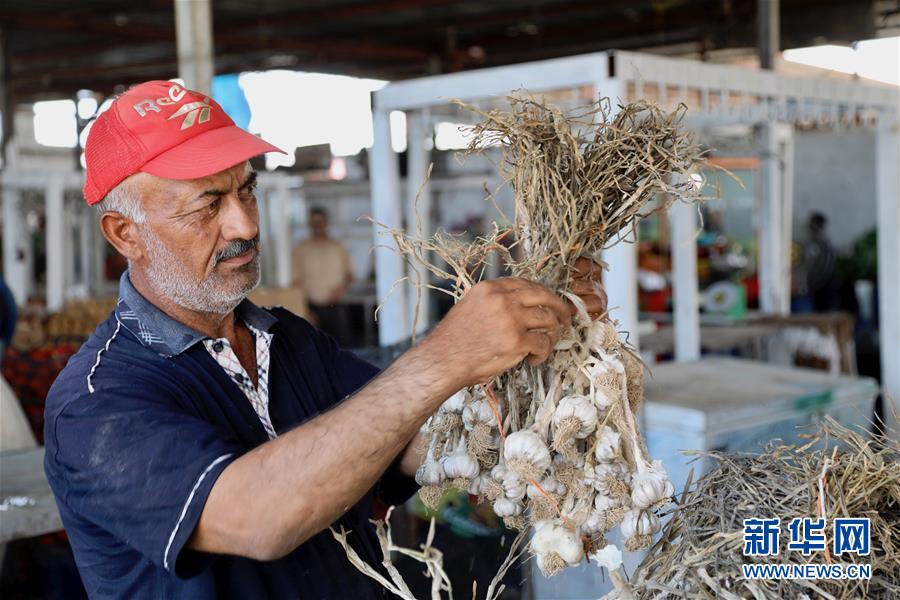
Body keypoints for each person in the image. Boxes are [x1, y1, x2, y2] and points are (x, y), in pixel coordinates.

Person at [43, 81, 607, 599]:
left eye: (247, 190)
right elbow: (260, 517)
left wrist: (531, 335)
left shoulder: (287, 339)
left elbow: (411, 440)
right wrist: (445, 355)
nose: (245, 225)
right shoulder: (93, 405)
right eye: (208, 205)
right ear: (126, 234)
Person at [292, 206, 353, 343]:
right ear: (310, 224)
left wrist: (342, 288)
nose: (318, 225)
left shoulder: (338, 247)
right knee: (316, 349)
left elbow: (349, 275)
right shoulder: (300, 249)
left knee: (341, 349)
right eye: (314, 222)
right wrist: (305, 309)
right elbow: (296, 282)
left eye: (320, 222)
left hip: (336, 308)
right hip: (312, 308)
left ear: (327, 222)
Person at [804, 212, 836, 311]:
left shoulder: (822, 243)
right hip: (817, 284)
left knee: (821, 310)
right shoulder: (815, 242)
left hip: (822, 285)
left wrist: (814, 283)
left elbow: (825, 266)